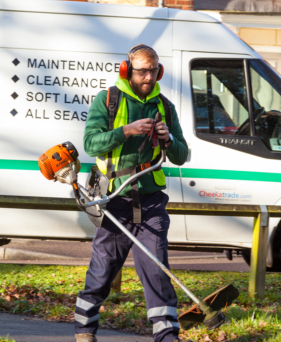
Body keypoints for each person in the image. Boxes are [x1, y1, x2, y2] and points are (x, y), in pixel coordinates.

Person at [74, 44, 189, 342]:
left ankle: (166, 335)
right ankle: (85, 329)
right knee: (103, 270)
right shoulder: (108, 99)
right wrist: (126, 131)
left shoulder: (164, 106)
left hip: (151, 202)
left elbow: (181, 155)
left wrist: (169, 138)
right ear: (127, 70)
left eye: (153, 70)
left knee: (155, 268)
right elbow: (91, 144)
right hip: (115, 201)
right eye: (142, 71)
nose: (149, 76)